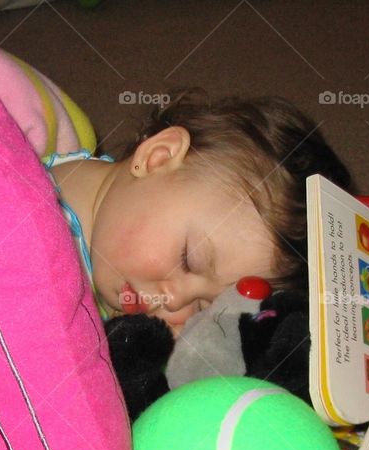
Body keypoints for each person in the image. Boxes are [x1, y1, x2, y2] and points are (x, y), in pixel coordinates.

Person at [47, 91, 352, 335]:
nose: (176, 301)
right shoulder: (24, 223)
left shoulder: (109, 239)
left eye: (204, 307)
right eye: (188, 259)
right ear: (157, 158)